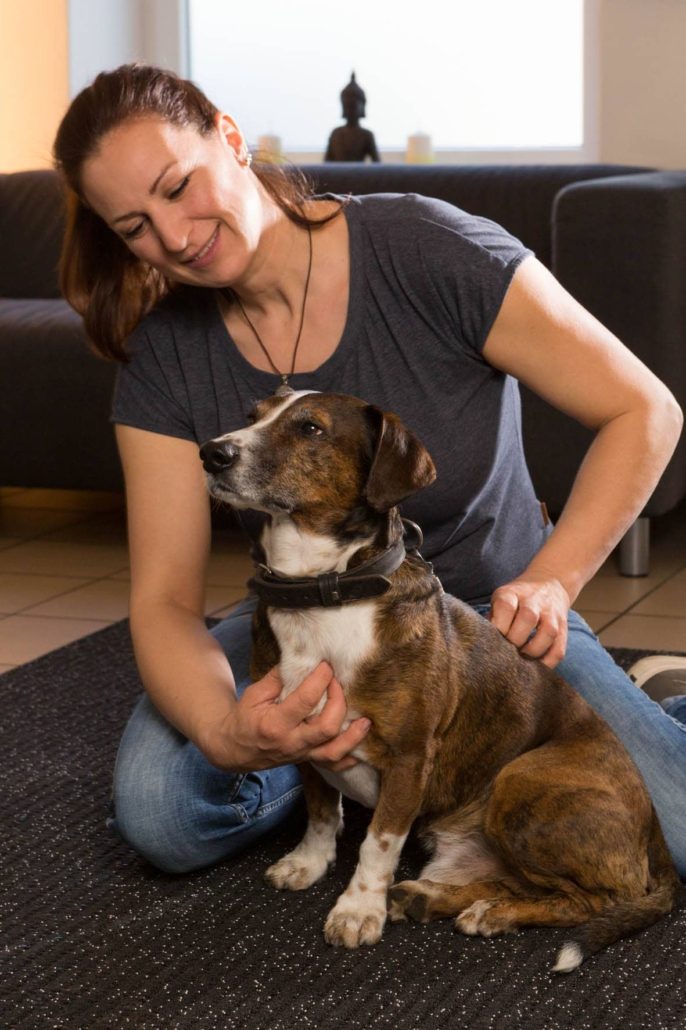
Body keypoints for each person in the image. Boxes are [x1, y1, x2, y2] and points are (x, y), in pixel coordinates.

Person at [53, 64, 686, 880]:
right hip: (310, 629)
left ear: (232, 138)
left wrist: (555, 584)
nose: (173, 237)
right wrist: (228, 731)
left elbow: (646, 411)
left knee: (670, 835)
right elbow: (166, 603)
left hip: (491, 639)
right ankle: (353, 770)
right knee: (164, 816)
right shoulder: (165, 352)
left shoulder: (426, 248)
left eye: (179, 187)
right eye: (136, 226)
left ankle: (657, 703)